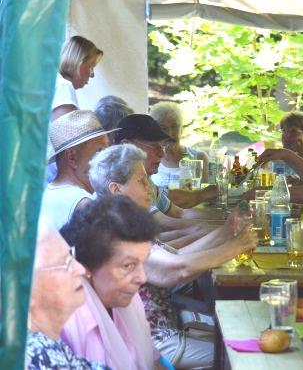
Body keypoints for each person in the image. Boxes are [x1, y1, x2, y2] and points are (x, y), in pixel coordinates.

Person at [89, 144, 257, 368]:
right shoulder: (116, 232)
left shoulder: (124, 222)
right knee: (244, 356)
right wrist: (235, 246)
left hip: (167, 326)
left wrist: (226, 231)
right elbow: (177, 269)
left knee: (244, 333)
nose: (150, 188)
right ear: (115, 189)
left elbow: (175, 255)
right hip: (157, 342)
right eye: (141, 181)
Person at [60, 196, 162, 369]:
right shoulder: (68, 326)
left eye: (143, 263)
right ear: (87, 266)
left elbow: (152, 360)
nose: (142, 278)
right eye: (128, 266)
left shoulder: (129, 301)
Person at [26, 220, 108, 369]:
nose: (81, 270)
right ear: (24, 291)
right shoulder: (38, 355)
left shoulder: (46, 342)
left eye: (71, 256)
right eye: (65, 264)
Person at [114, 114, 219, 229]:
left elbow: (180, 213)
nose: (162, 154)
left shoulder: (147, 182)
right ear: (127, 146)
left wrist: (227, 218)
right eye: (154, 146)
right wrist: (223, 228)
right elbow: (165, 224)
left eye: (162, 146)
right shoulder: (123, 185)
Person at [39, 110, 115, 230]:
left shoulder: (48, 193)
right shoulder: (83, 203)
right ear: (72, 157)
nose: (107, 157)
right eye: (100, 150)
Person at [149, 101, 216, 208]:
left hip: (192, 215)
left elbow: (211, 197)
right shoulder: (148, 158)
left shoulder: (199, 157)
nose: (170, 133)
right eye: (163, 128)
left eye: (175, 127)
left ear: (182, 130)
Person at [51, 35, 103, 121]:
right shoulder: (63, 86)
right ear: (78, 63)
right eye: (91, 66)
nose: (92, 74)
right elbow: (66, 130)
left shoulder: (54, 82)